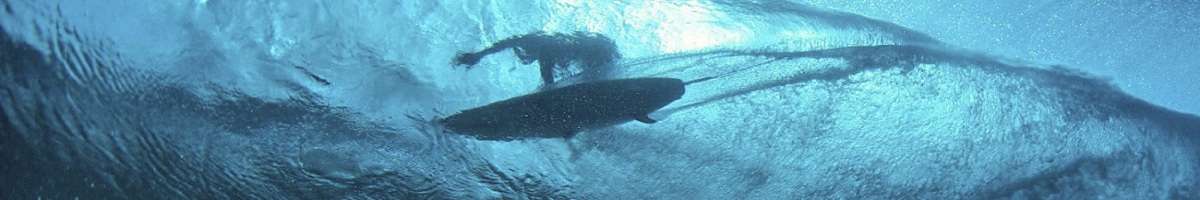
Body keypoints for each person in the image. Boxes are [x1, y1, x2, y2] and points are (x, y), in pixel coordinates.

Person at [453, 31, 621, 86]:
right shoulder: (531, 42)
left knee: (595, 76)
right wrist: (479, 55)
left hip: (600, 48)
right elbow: (508, 42)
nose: (525, 59)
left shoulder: (545, 46)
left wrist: (548, 89)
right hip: (597, 47)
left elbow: (546, 61)